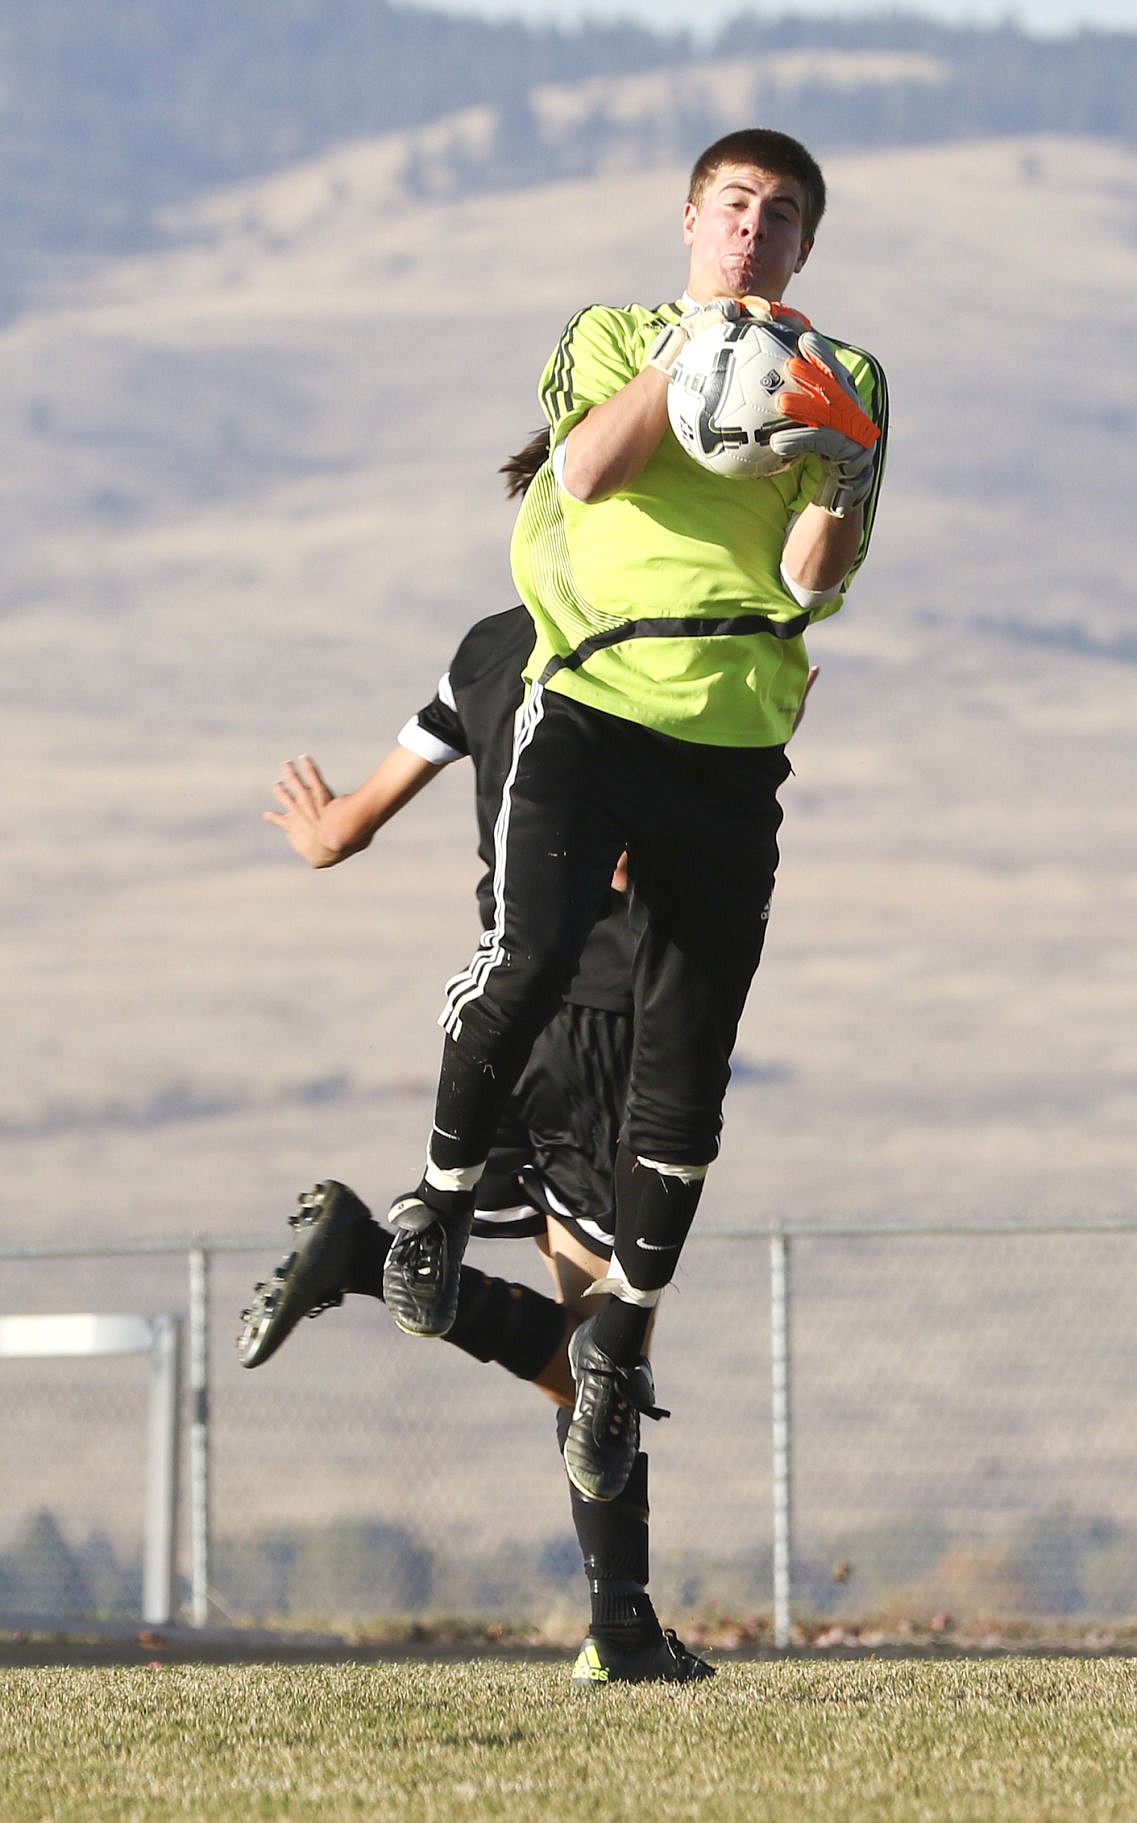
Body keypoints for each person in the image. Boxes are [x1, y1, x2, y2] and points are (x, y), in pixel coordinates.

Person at [377, 127, 888, 1510]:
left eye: (781, 215)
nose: (752, 230)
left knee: (691, 1064)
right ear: (688, 220)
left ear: (806, 246)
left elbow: (807, 576)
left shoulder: (850, 380)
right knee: (530, 954)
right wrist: (695, 365)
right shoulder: (608, 334)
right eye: (733, 206)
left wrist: (835, 468)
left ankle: (612, 1349)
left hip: (728, 742)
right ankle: (427, 1204)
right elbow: (590, 472)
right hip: (594, 699)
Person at [239, 486, 714, 1682]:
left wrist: (316, 834)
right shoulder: (655, 662)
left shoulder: (487, 648)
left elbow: (342, 829)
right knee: (606, 1345)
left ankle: (622, 1628)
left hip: (498, 1021)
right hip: (612, 1020)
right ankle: (358, 1254)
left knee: (583, 1354)